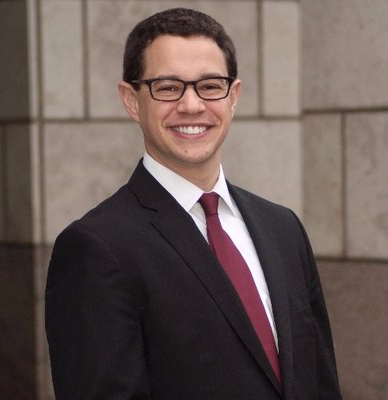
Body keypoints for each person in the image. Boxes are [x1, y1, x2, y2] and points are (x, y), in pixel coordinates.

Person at [45, 7, 342, 400]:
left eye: (210, 85)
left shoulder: (283, 228)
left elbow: (320, 382)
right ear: (131, 101)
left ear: (233, 97)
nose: (191, 105)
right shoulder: (95, 248)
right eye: (168, 87)